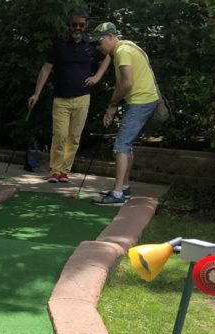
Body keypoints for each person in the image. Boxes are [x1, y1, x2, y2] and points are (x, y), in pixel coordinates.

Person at [27, 10, 110, 183]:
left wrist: (97, 77)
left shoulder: (92, 45)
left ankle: (65, 171)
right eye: (74, 24)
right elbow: (46, 69)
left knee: (74, 138)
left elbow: (108, 56)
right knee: (60, 135)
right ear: (70, 25)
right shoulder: (60, 44)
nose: (77, 27)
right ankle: (55, 171)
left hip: (83, 97)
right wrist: (36, 93)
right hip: (61, 98)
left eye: (81, 24)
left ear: (86, 25)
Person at [91, 22, 161, 205]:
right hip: (144, 100)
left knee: (121, 146)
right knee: (126, 145)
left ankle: (117, 195)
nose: (98, 47)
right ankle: (124, 187)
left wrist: (113, 104)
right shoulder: (126, 47)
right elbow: (122, 83)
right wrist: (112, 107)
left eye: (99, 42)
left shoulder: (122, 52)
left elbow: (127, 83)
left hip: (141, 101)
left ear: (110, 37)